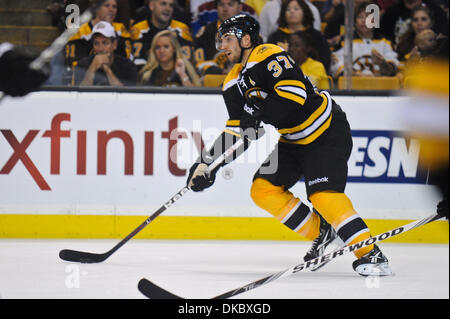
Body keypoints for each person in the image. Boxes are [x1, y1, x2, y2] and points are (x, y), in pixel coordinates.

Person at [187, 14, 393, 276]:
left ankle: (371, 254)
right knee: (262, 190)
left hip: (325, 131)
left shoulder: (268, 54)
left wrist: (258, 111)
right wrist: (206, 164)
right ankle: (322, 231)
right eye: (220, 40)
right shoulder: (231, 82)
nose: (222, 46)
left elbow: (294, 93)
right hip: (293, 140)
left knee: (323, 195)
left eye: (227, 39)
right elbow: (240, 132)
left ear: (246, 39)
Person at [330, 1, 399, 79]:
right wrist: (356, 75)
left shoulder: (385, 42)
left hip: (380, 88)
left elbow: (393, 69)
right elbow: (336, 66)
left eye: (368, 17)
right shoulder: (345, 41)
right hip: (353, 88)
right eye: (360, 17)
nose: (363, 21)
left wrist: (382, 64)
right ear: (355, 22)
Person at [64, 0, 132, 72]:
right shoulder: (78, 32)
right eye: (107, 6)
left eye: (114, 7)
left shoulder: (121, 29)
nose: (111, 10)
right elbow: (73, 65)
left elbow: (127, 61)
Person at [267, 0, 331, 71]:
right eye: (288, 9)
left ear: (304, 12)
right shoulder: (275, 36)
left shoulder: (316, 36)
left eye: (296, 9)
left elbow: (325, 60)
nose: (292, 12)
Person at [130, 0, 193, 68]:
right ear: (152, 5)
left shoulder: (181, 30)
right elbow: (134, 62)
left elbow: (187, 63)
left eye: (171, 5)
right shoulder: (138, 30)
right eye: (163, 4)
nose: (167, 9)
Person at [73, 21, 138, 86]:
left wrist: (107, 70)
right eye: (96, 43)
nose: (101, 48)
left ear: (114, 45)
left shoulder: (127, 66)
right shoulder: (82, 65)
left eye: (105, 43)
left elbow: (125, 94)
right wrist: (93, 67)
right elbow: (81, 94)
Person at [193, 0, 243, 76]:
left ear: (239, 7)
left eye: (230, 4)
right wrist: (221, 72)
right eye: (221, 5)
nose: (225, 9)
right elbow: (198, 64)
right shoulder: (205, 33)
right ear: (216, 8)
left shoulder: (251, 34)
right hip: (213, 83)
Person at [380, 0, 448, 46]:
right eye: (415, 20)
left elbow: (444, 37)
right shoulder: (391, 12)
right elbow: (382, 37)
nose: (419, 23)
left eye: (424, 19)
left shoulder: (436, 11)